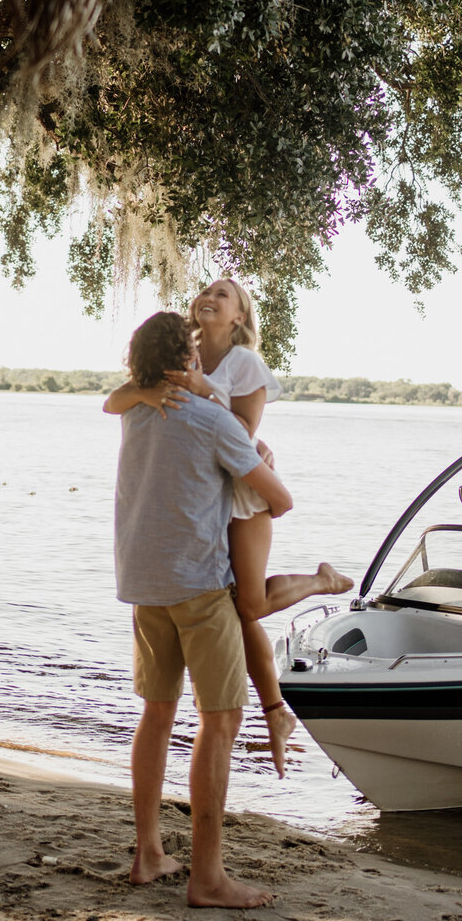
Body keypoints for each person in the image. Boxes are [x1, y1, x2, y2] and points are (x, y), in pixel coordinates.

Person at [105, 277, 352, 777]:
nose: (210, 298)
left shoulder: (244, 364)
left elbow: (242, 434)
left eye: (224, 295)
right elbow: (117, 401)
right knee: (240, 609)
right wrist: (148, 392)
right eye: (206, 292)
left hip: (241, 486)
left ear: (240, 316)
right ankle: (277, 712)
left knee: (250, 604)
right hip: (204, 490)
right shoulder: (183, 349)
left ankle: (321, 581)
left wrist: (201, 390)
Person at [111, 309, 292, 908]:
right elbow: (280, 501)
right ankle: (209, 877)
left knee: (156, 715)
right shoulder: (214, 418)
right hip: (199, 588)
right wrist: (257, 454)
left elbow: (116, 401)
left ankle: (149, 854)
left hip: (144, 584)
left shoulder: (137, 411)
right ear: (186, 360)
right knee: (219, 722)